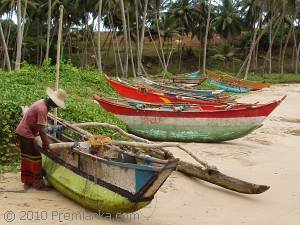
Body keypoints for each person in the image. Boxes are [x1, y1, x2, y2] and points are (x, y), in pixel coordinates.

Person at [16, 87, 67, 191]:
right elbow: (41, 130)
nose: (57, 106)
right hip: (26, 133)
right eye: (57, 104)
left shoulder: (42, 103)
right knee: (35, 157)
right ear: (54, 102)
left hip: (26, 133)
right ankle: (37, 184)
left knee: (28, 157)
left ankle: (29, 181)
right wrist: (48, 145)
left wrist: (45, 143)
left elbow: (41, 127)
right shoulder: (42, 108)